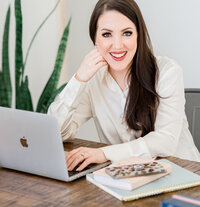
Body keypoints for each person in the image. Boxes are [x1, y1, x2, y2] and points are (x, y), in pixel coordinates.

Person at [48, 0, 200, 171]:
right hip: (129, 177)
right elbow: (57, 133)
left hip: (184, 174)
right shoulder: (93, 80)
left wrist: (103, 154)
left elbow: (165, 141)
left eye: (127, 33)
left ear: (138, 35)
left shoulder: (167, 72)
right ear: (95, 39)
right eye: (107, 34)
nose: (118, 45)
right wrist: (79, 79)